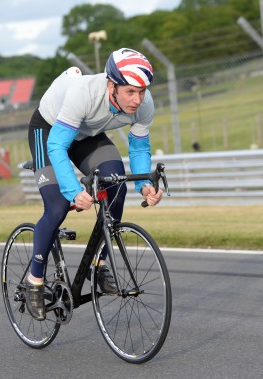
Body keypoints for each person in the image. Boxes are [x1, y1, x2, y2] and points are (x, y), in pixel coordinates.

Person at [25, 48, 164, 321]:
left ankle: (100, 266)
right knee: (58, 206)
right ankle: (35, 280)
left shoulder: (144, 104)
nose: (137, 99)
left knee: (116, 185)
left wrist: (145, 184)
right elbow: (57, 146)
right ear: (111, 85)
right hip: (49, 130)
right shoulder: (85, 93)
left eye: (142, 91)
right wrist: (74, 191)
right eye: (130, 92)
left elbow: (138, 149)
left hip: (88, 133)